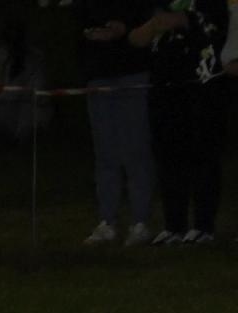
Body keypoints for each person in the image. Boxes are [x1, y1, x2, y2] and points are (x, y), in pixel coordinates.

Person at [130, 0, 228, 243]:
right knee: (168, 154)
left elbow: (218, 27)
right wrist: (153, 25)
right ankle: (174, 224)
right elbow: (137, 37)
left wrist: (185, 20)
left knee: (202, 152)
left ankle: (204, 225)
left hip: (201, 84)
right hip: (165, 85)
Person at [77, 0, 155, 246]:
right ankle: (107, 220)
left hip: (132, 71)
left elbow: (148, 18)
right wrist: (91, 32)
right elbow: (80, 20)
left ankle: (140, 220)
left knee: (136, 149)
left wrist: (124, 29)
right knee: (105, 152)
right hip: (99, 74)